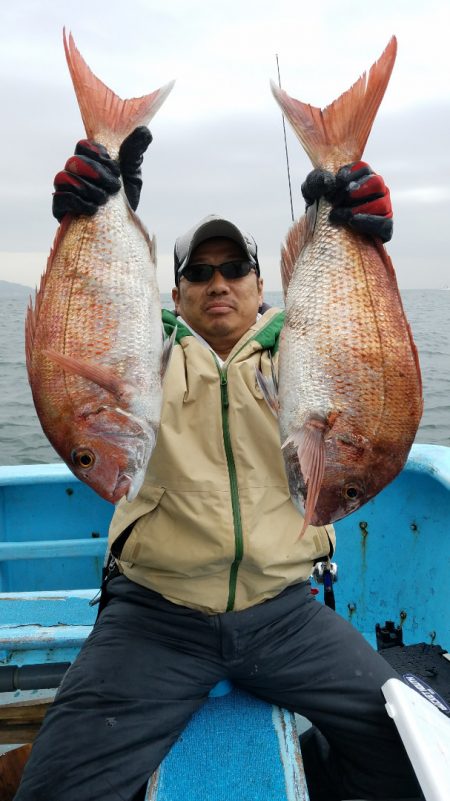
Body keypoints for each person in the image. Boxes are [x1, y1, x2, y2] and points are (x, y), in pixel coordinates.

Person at [14, 129, 421, 801]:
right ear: (175, 295)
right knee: (55, 789)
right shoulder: (153, 359)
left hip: (286, 612)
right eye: (198, 272)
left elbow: (356, 351)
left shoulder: (298, 354)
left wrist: (352, 226)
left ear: (264, 283)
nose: (218, 282)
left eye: (234, 267)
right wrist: (108, 215)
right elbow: (97, 332)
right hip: (155, 616)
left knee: (412, 753)